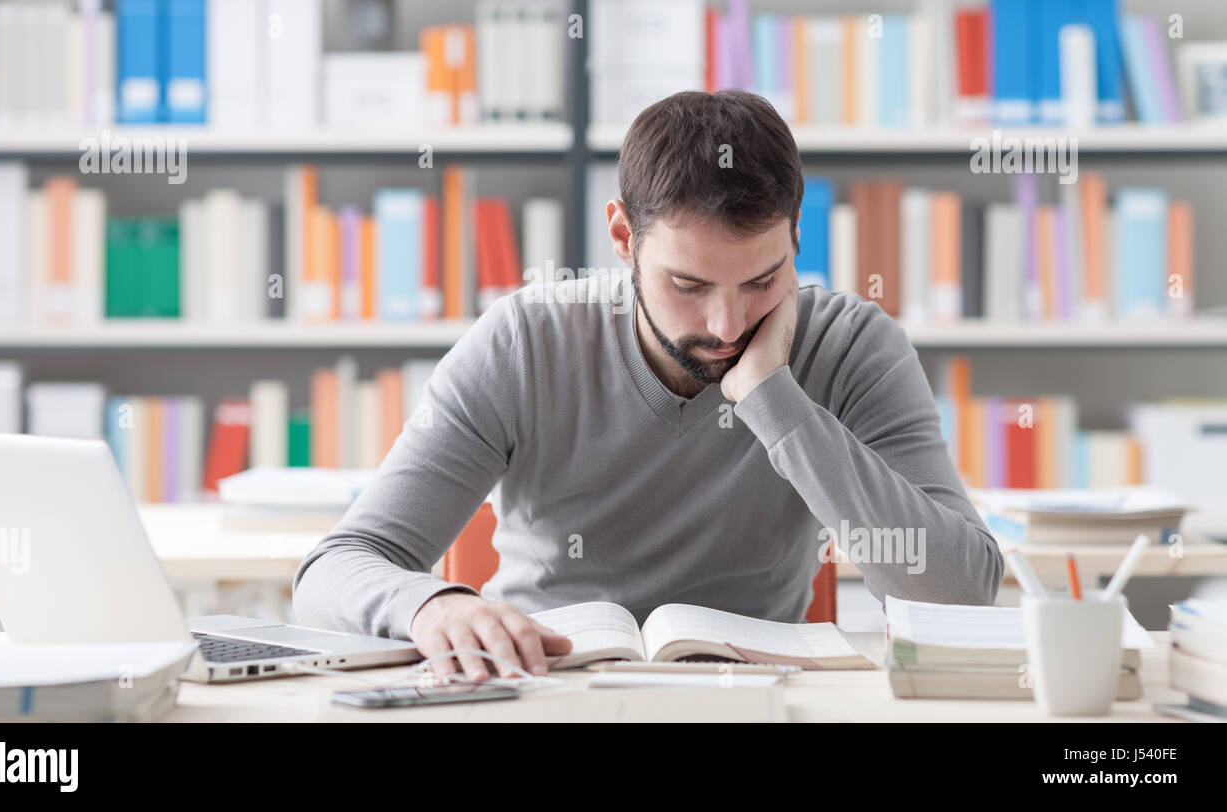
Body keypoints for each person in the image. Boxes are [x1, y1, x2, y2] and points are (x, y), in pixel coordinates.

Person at [293, 90, 1004, 682]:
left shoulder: (853, 346)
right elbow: (333, 570)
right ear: (623, 237)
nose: (727, 325)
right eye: (687, 284)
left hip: (750, 702)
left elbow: (961, 595)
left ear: (796, 238)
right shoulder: (524, 342)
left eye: (762, 281)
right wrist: (432, 606)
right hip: (545, 694)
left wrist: (772, 398)